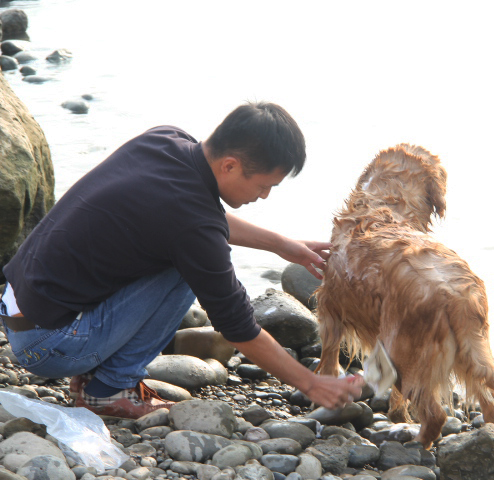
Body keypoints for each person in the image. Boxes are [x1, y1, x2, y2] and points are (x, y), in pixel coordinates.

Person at [0, 101, 363, 418]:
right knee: (187, 267)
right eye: (264, 185)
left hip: (20, 308)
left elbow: (199, 220)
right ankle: (108, 388)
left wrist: (282, 244)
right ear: (230, 166)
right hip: (48, 344)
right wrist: (311, 384)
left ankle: (95, 374)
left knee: (185, 254)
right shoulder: (192, 227)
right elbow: (238, 326)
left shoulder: (165, 140)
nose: (264, 195)